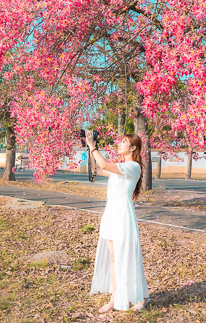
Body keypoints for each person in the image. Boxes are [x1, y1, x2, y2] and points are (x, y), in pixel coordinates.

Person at [85, 130, 150, 313]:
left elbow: (104, 163)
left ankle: (141, 297)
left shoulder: (133, 167)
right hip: (111, 214)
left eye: (123, 142)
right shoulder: (120, 168)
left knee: (127, 257)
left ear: (133, 147)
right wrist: (90, 148)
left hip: (123, 215)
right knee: (114, 258)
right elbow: (97, 169)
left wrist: (93, 146)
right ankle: (115, 298)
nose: (119, 144)